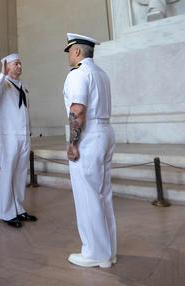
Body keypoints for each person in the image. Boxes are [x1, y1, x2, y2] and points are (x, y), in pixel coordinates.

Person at [63, 33, 117, 268]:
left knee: (87, 196)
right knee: (104, 195)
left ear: (76, 52)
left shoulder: (78, 74)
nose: (68, 56)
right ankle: (108, 252)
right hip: (105, 132)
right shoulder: (101, 74)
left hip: (89, 136)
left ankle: (94, 252)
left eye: (69, 51)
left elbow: (78, 110)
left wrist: (73, 143)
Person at [0, 53, 37, 228]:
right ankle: (7, 212)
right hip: (8, 135)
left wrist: (28, 131)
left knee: (21, 172)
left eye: (20, 63)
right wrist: (1, 75)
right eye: (16, 64)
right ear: (7, 67)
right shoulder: (2, 84)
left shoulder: (23, 86)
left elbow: (25, 111)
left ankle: (19, 208)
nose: (20, 66)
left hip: (23, 134)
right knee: (8, 171)